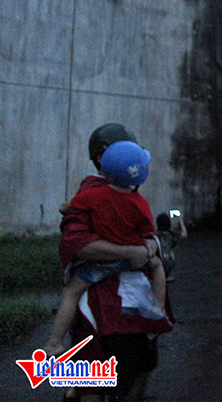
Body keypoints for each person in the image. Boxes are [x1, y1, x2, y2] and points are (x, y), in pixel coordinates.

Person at [58, 123, 172, 402]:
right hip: (100, 305)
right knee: (93, 382)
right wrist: (129, 253)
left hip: (134, 302)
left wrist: (147, 247)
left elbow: (150, 238)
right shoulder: (91, 195)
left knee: (141, 368)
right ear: (103, 157)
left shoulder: (125, 191)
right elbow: (75, 243)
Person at [43, 141, 167, 357]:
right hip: (131, 259)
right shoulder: (139, 203)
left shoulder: (93, 196)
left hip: (99, 262)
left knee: (71, 293)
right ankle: (159, 309)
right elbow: (148, 231)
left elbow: (66, 208)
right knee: (157, 266)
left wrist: (67, 207)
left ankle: (55, 342)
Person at [156, 210, 187, 282]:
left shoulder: (156, 234)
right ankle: (165, 276)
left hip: (156, 260)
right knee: (171, 255)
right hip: (166, 260)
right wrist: (180, 220)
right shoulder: (171, 234)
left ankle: (157, 276)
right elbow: (184, 234)